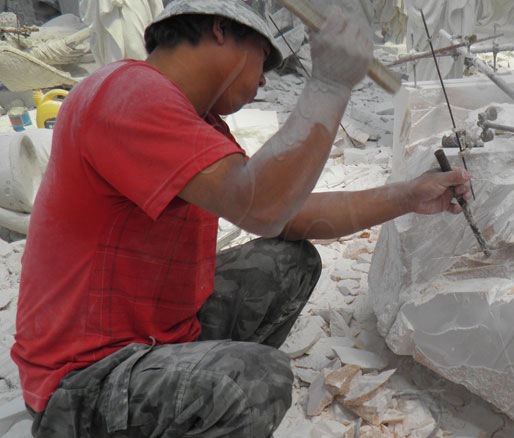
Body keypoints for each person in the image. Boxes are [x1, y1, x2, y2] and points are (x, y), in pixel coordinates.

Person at [10, 0, 472, 436]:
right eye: (262, 60)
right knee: (256, 380)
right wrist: (330, 84)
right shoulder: (128, 93)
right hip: (85, 381)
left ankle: (195, 394)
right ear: (219, 29)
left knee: (290, 262)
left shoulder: (195, 120)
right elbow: (262, 206)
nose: (264, 82)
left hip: (155, 338)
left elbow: (285, 215)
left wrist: (408, 196)